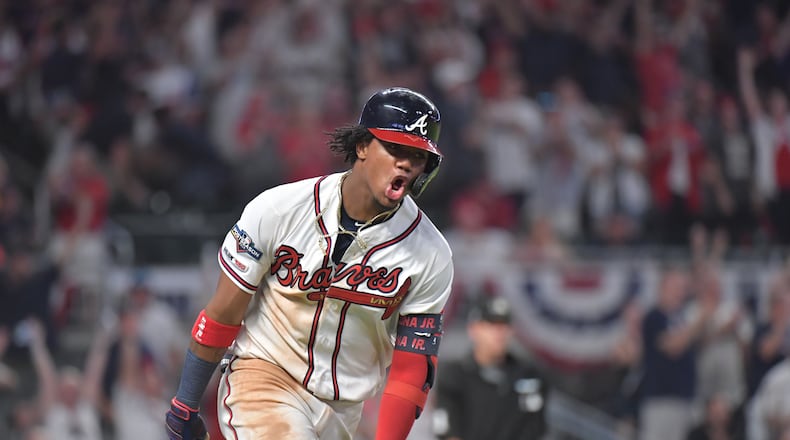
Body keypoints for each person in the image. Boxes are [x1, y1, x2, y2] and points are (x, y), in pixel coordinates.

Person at [165, 87, 454, 440]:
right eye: (394, 148)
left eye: (417, 156)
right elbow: (224, 314)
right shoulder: (279, 209)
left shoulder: (431, 253)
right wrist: (185, 404)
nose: (406, 163)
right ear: (362, 146)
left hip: (344, 411)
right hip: (264, 379)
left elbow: (411, 372)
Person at [432, 296, 549, 440]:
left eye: (505, 324)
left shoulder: (529, 376)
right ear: (474, 329)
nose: (499, 332)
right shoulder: (455, 375)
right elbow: (448, 432)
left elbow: (536, 430)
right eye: (492, 324)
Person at [639, 266, 714, 440]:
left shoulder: (681, 317)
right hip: (661, 398)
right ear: (662, 288)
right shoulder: (654, 317)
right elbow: (673, 347)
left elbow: (697, 343)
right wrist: (699, 321)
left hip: (683, 397)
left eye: (682, 289)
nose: (680, 293)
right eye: (676, 288)